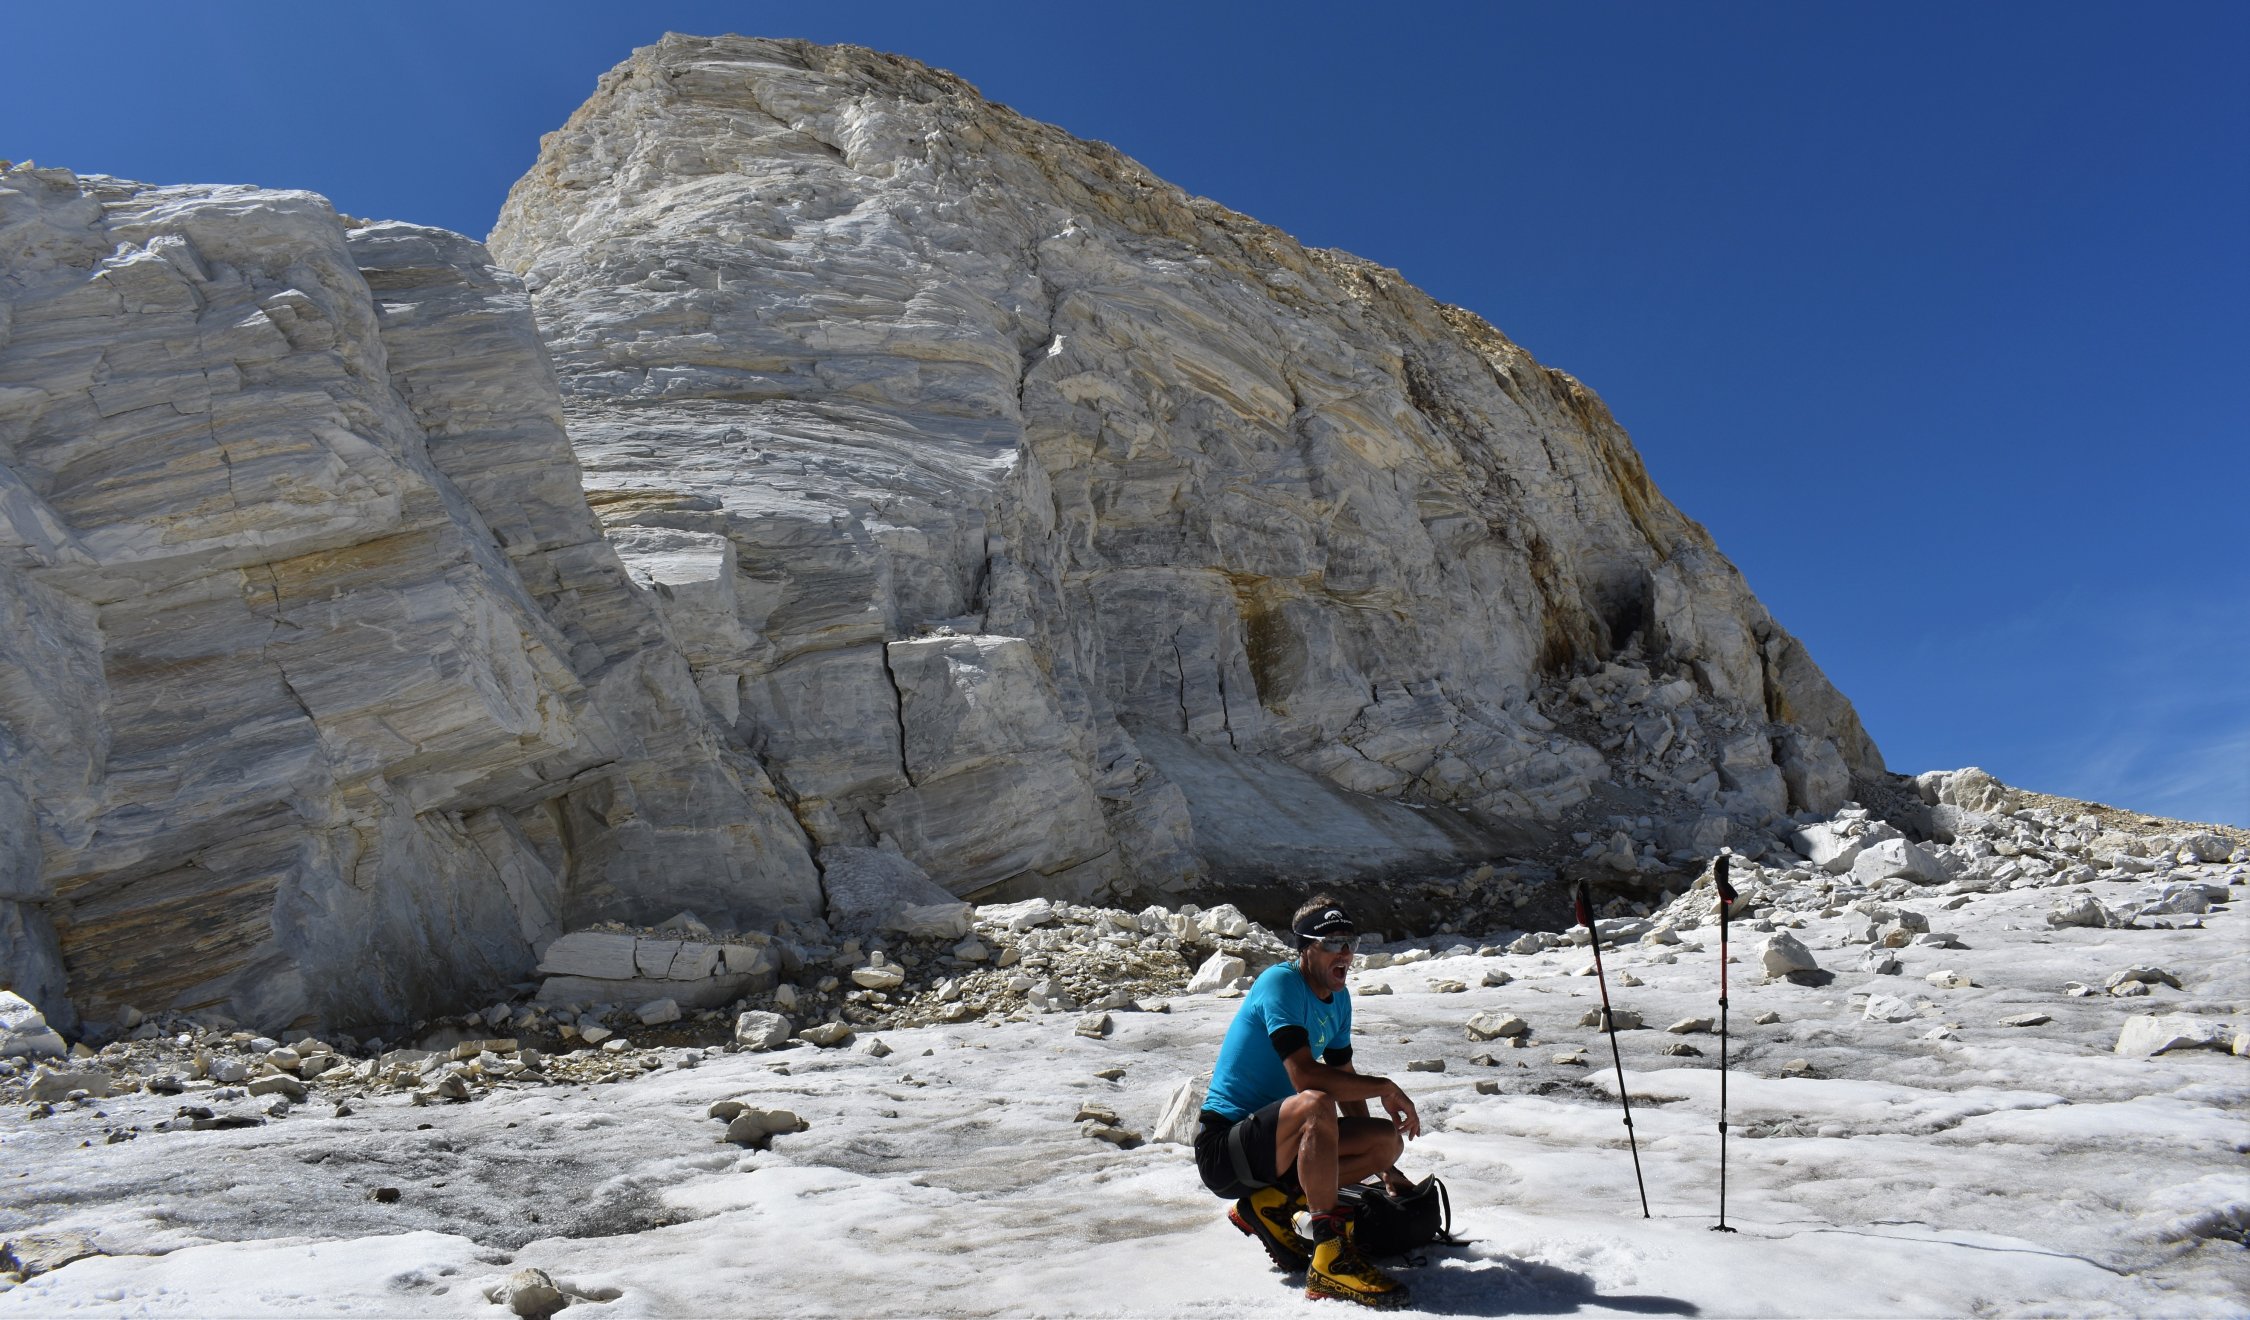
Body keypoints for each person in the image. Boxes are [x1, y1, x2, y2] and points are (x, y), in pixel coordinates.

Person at [1193, 896, 1422, 1309]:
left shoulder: (1339, 1000)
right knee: (1316, 1102)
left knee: (1385, 1141)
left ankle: (1271, 1203)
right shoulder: (1280, 984)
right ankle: (1330, 1257)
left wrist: (1386, 1169)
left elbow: (1344, 1076)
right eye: (1332, 943)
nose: (1345, 953)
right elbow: (1304, 1075)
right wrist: (1386, 1086)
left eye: (1349, 942)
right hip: (1225, 1150)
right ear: (1305, 948)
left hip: (1276, 1147)